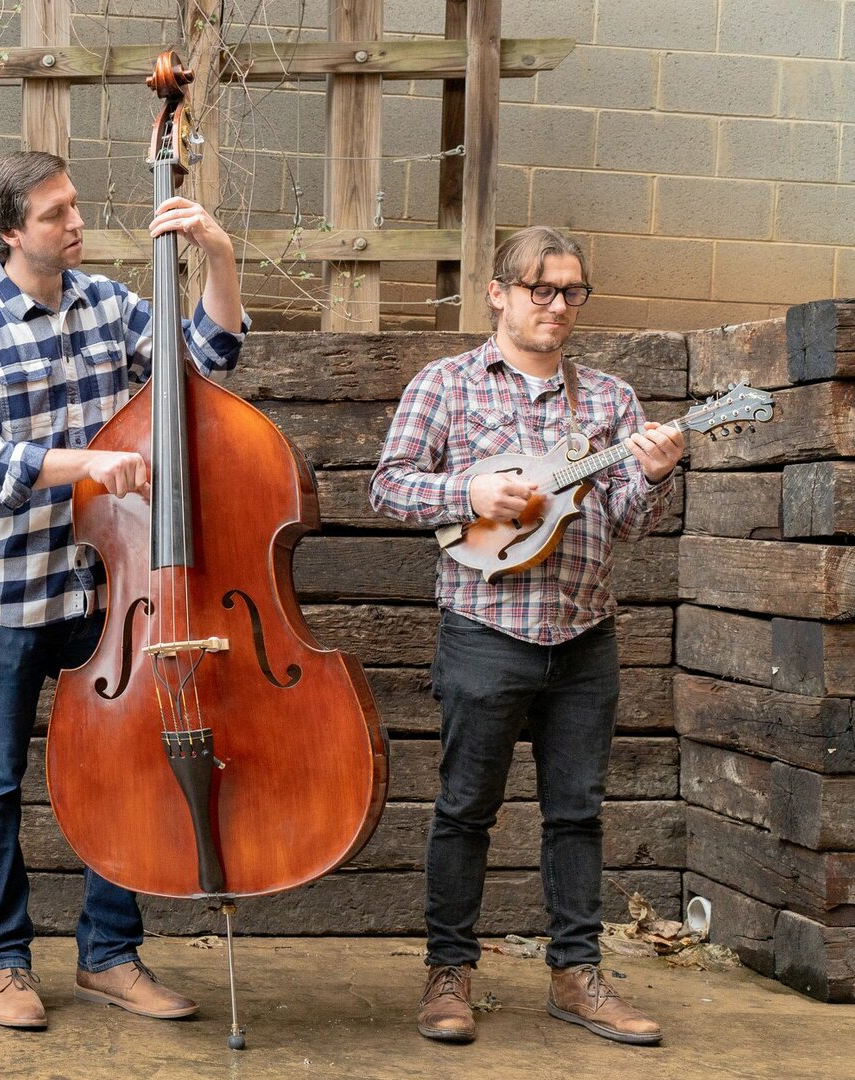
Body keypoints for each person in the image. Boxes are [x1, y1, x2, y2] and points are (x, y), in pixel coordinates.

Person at [0, 150, 247, 1030]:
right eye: (54, 214)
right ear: (9, 231)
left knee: (124, 768)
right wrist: (88, 465)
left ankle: (109, 954)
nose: (76, 224)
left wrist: (218, 255)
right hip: (4, 592)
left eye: (73, 206)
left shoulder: (110, 303)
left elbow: (206, 360)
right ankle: (4, 964)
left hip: (105, 589)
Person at [370, 225, 678, 1046]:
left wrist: (653, 476)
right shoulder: (447, 385)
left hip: (584, 635)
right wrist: (468, 492)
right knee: (465, 809)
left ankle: (577, 976)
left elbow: (628, 524)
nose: (558, 305)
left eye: (572, 290)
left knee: (576, 813)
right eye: (541, 288)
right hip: (485, 630)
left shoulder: (608, 402)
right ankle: (448, 974)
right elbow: (388, 487)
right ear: (499, 294)